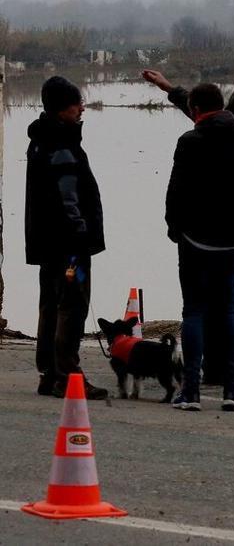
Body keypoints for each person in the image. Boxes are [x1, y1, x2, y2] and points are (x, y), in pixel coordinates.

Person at [142, 70, 234, 391]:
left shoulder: (199, 137)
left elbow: (199, 113)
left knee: (204, 308)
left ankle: (208, 371)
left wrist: (169, 88)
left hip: (199, 238)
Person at [165, 83, 234, 412]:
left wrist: (174, 227)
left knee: (194, 311)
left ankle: (191, 391)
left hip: (196, 239)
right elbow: (210, 119)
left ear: (195, 111)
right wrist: (171, 89)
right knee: (228, 311)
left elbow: (177, 190)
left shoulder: (189, 141)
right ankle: (232, 391)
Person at [26, 77, 108, 400]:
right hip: (69, 246)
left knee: (49, 303)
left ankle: (48, 372)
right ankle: (68, 374)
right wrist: (81, 234)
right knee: (72, 304)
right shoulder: (62, 145)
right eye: (77, 104)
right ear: (62, 109)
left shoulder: (40, 140)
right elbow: (68, 196)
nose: (82, 108)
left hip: (46, 244)